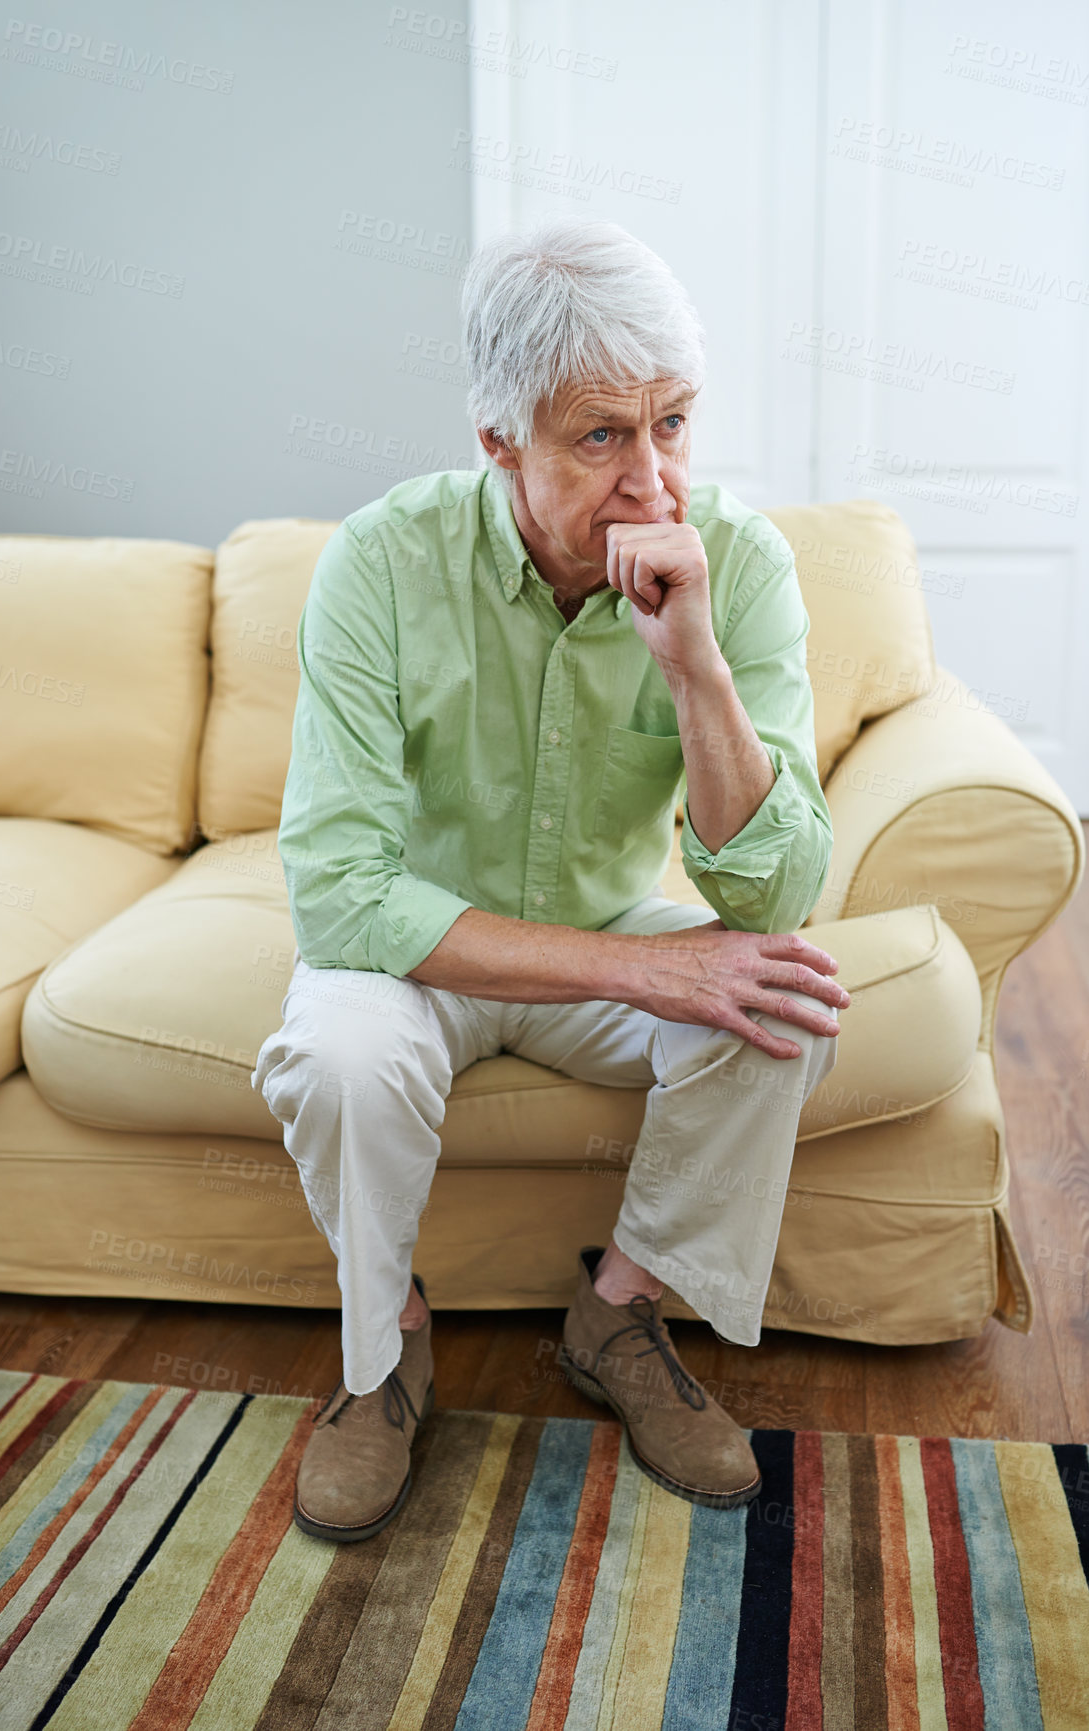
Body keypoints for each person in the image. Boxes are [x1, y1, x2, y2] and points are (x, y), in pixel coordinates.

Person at [252, 217, 848, 1542]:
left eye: (675, 425)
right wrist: (649, 969)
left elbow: (775, 889)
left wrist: (693, 663)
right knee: (339, 1058)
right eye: (601, 438)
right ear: (499, 440)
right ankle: (386, 1345)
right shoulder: (381, 563)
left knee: (783, 1009)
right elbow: (344, 895)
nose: (655, 481)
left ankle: (619, 1317)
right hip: (423, 935)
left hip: (604, 909)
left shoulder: (735, 562)